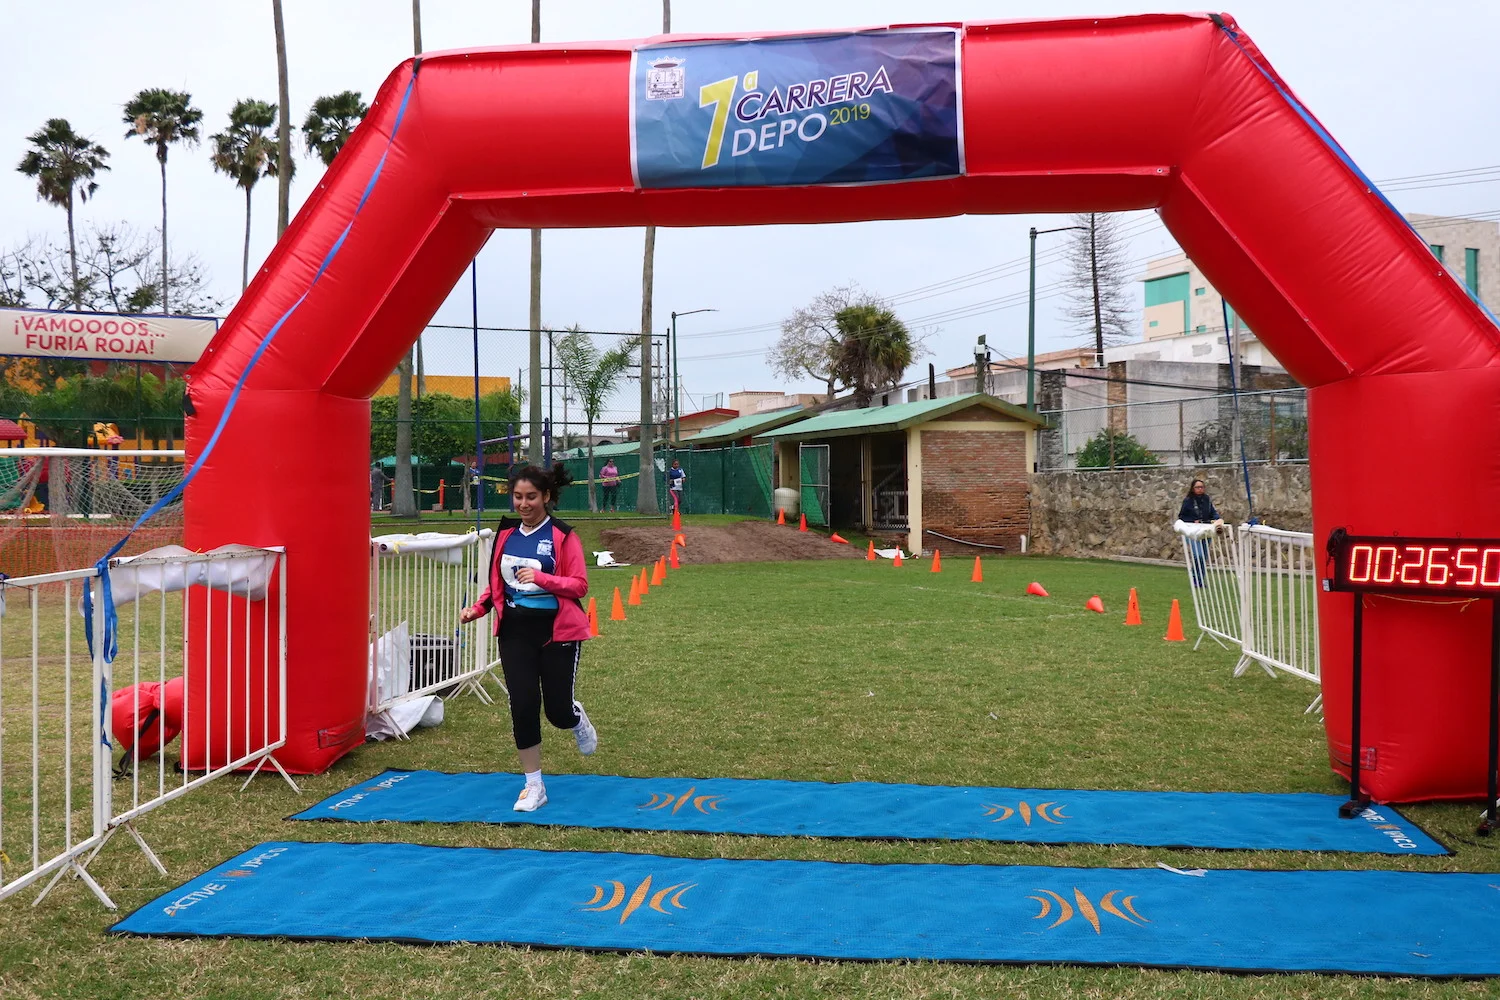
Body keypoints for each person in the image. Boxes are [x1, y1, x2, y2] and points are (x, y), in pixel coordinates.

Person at [460, 463, 595, 812]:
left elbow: (580, 585)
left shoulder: (563, 536)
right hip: (515, 632)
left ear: (546, 496)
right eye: (518, 496)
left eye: (531, 497)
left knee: (557, 713)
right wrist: (479, 608)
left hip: (556, 633)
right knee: (522, 704)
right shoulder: (507, 534)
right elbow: (498, 583)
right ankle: (534, 785)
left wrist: (542, 579)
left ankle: (575, 717)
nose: (523, 503)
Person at [1178, 479, 1224, 588]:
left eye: (1202, 487)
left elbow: (1212, 512)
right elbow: (1182, 516)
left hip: (1205, 530)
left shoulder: (1206, 499)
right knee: (1198, 555)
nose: (1200, 489)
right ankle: (1194, 577)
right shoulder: (1188, 501)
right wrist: (1193, 521)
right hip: (1193, 531)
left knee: (1203, 557)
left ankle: (1200, 580)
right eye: (1197, 487)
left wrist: (1217, 519)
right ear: (1193, 488)